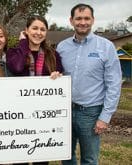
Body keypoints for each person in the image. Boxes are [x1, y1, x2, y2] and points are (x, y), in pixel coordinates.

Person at [56, 3, 122, 165]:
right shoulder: (62, 47)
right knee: (65, 155)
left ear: (93, 20)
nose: (82, 22)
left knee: (89, 159)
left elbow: (114, 83)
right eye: (78, 18)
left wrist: (105, 117)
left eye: (86, 18)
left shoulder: (106, 47)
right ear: (71, 21)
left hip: (91, 113)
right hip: (64, 111)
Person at [6, 15, 63, 165]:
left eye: (42, 29)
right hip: (19, 116)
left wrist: (57, 77)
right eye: (34, 28)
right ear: (26, 30)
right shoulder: (14, 52)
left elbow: (60, 82)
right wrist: (24, 43)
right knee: (20, 159)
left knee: (41, 159)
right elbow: (17, 67)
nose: (38, 32)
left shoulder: (53, 55)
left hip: (43, 116)